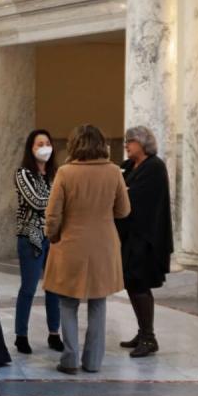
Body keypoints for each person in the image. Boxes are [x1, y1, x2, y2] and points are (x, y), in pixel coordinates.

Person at [44, 124, 131, 375]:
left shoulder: (65, 173)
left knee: (68, 303)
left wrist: (53, 235)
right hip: (104, 245)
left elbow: (53, 214)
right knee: (98, 302)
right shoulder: (114, 172)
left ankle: (69, 358)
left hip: (70, 245)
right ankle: (93, 361)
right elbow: (124, 210)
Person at [116, 126, 173, 358]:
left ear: (143, 143)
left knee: (140, 284)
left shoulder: (154, 167)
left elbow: (132, 198)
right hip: (130, 237)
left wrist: (124, 191)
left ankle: (149, 338)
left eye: (130, 142)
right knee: (132, 283)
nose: (126, 146)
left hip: (147, 238)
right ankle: (142, 332)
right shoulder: (128, 166)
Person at [13, 129, 63, 354]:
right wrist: (59, 201)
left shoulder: (56, 174)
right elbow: (36, 201)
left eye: (47, 142)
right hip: (30, 237)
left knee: (54, 287)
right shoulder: (23, 174)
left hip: (53, 237)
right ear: (31, 149)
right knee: (29, 287)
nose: (44, 147)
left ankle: (54, 333)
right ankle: (20, 335)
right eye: (38, 144)